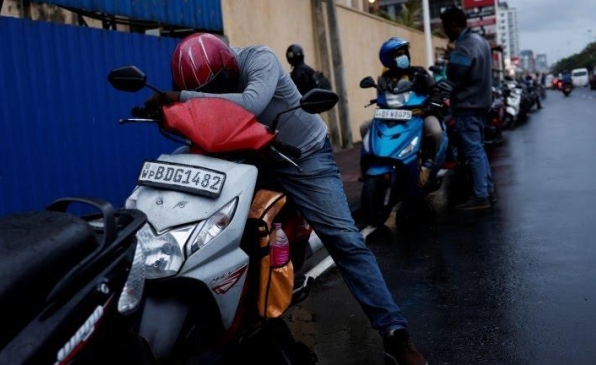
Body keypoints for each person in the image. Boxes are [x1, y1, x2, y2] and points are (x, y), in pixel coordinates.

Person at [149, 32, 428, 365]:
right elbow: (205, 118)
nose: (213, 96)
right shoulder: (205, 86)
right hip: (249, 155)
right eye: (205, 92)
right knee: (210, 221)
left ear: (228, 66)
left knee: (345, 240)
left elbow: (251, 103)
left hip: (303, 157)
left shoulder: (259, 59)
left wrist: (181, 97)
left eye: (216, 87)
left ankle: (394, 332)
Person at [360, 37, 444, 186]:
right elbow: (381, 99)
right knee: (365, 127)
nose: (402, 57)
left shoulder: (420, 73)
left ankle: (429, 163)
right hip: (392, 117)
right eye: (397, 54)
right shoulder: (384, 79)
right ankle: (369, 166)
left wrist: (429, 108)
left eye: (403, 53)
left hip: (419, 114)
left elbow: (434, 91)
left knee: (435, 130)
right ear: (388, 59)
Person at [440, 6, 495, 210]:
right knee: (479, 148)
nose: (445, 31)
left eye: (446, 26)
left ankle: (481, 196)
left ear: (454, 25)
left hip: (467, 104)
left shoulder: (464, 46)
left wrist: (450, 58)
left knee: (473, 150)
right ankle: (487, 190)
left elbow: (454, 76)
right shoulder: (480, 41)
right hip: (481, 103)